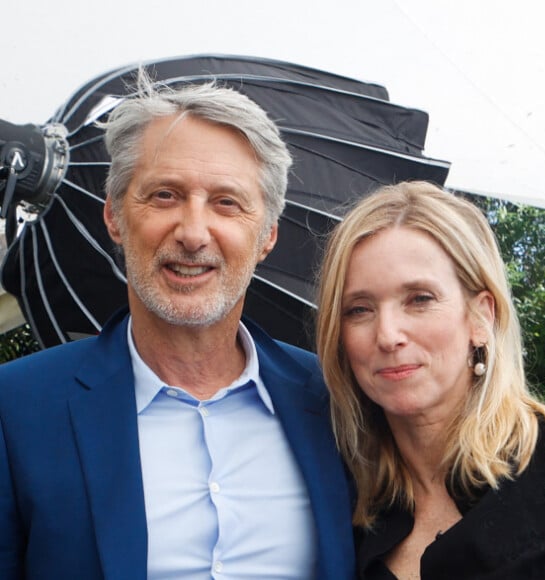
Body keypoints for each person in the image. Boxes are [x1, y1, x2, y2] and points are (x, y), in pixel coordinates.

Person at [0, 73, 355, 580]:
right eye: (164, 195)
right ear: (116, 217)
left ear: (267, 236)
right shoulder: (16, 409)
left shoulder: (334, 402)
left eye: (227, 203)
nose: (192, 233)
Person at [316, 180, 545, 579]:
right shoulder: (347, 507)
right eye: (359, 309)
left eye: (419, 299)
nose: (387, 335)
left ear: (481, 317)